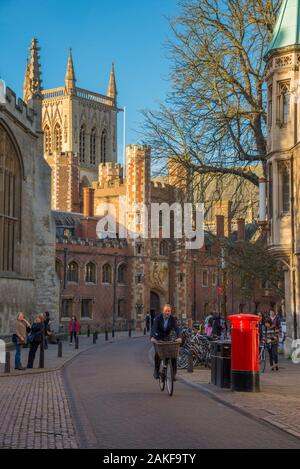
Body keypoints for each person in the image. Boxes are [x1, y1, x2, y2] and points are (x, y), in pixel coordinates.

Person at [151, 304, 181, 380]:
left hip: (167, 337)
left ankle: (173, 374)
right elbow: (154, 328)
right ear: (163, 311)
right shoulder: (158, 318)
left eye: (169, 311)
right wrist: (152, 337)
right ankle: (156, 371)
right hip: (157, 337)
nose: (167, 312)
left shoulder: (172, 319)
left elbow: (176, 328)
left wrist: (179, 337)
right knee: (158, 353)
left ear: (170, 312)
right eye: (166, 311)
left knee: (173, 355)